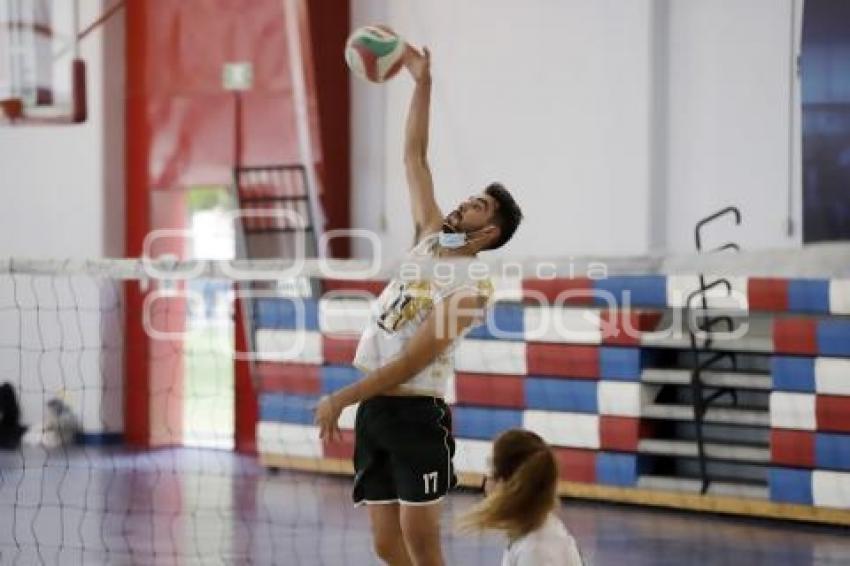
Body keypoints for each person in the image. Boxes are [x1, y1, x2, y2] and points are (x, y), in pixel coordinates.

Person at [314, 44, 523, 566]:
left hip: (415, 413)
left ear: (490, 231)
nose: (462, 203)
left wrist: (343, 397)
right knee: (386, 544)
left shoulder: (472, 285)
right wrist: (420, 81)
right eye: (468, 196)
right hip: (377, 410)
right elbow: (414, 155)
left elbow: (413, 361)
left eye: (477, 205)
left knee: (422, 541)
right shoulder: (430, 236)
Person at [459, 429, 584, 566]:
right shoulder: (539, 531)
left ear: (506, 485)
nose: (485, 484)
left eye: (490, 472)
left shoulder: (535, 551)